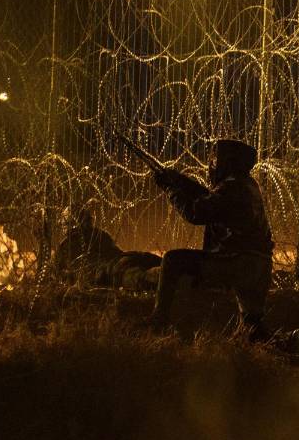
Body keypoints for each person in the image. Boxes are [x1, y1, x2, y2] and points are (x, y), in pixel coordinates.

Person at [147, 139, 274, 337]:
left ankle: (158, 321)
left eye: (215, 161)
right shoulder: (247, 184)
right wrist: (179, 180)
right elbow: (210, 197)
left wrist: (170, 190)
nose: (212, 166)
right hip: (259, 266)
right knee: (253, 327)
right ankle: (290, 344)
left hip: (236, 262)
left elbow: (195, 213)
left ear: (227, 162)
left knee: (173, 260)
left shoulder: (231, 188)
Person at [54, 209, 123, 282]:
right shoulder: (100, 235)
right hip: (112, 276)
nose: (63, 229)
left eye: (64, 225)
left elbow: (59, 272)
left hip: (104, 278)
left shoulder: (66, 245)